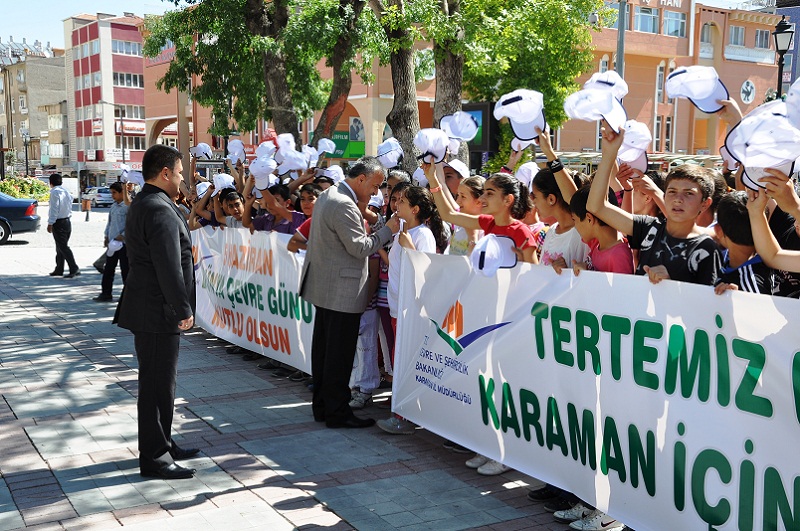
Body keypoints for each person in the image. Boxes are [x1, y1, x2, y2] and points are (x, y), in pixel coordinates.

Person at [114, 144, 199, 480]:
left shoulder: (149, 201)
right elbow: (168, 266)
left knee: (160, 382)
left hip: (149, 307)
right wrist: (182, 308)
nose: (181, 180)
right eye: (179, 173)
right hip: (157, 310)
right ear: (165, 173)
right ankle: (155, 457)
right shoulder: (158, 208)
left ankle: (163, 442)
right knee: (157, 385)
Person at [300, 156, 400, 429]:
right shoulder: (343, 203)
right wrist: (388, 231)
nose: (377, 192)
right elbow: (359, 247)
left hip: (326, 287)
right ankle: (336, 412)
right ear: (361, 179)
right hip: (341, 291)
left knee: (324, 351)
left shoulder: (329, 196)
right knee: (338, 355)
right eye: (375, 185)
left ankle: (324, 406)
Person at [94, 182, 129, 302]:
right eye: (111, 192)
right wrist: (106, 236)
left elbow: (132, 225)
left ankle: (128, 296)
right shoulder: (114, 206)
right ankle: (106, 293)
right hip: (113, 243)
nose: (112, 195)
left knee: (126, 270)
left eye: (114, 192)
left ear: (121, 193)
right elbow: (109, 222)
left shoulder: (128, 207)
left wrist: (123, 235)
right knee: (109, 269)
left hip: (124, 244)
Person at [47, 174, 80, 278]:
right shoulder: (66, 192)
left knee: (63, 247)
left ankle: (74, 267)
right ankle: (59, 268)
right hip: (67, 221)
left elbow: (54, 208)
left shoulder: (54, 192)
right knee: (60, 246)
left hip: (59, 222)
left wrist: (50, 223)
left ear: (50, 182)